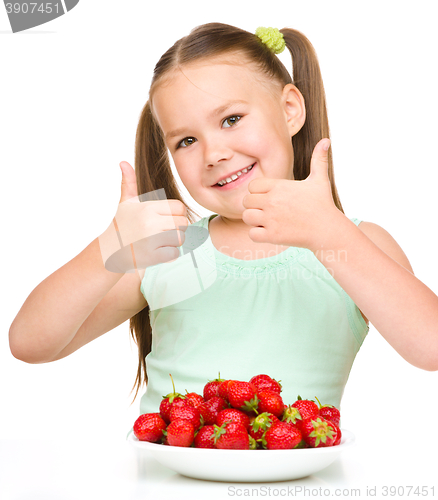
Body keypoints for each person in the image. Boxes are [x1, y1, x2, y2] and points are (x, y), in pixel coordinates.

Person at [9, 23, 438, 419]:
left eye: (231, 120)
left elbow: (430, 347)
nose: (213, 153)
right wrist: (110, 247)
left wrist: (328, 231)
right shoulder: (167, 251)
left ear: (290, 109)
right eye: (187, 140)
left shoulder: (355, 243)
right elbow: (30, 344)